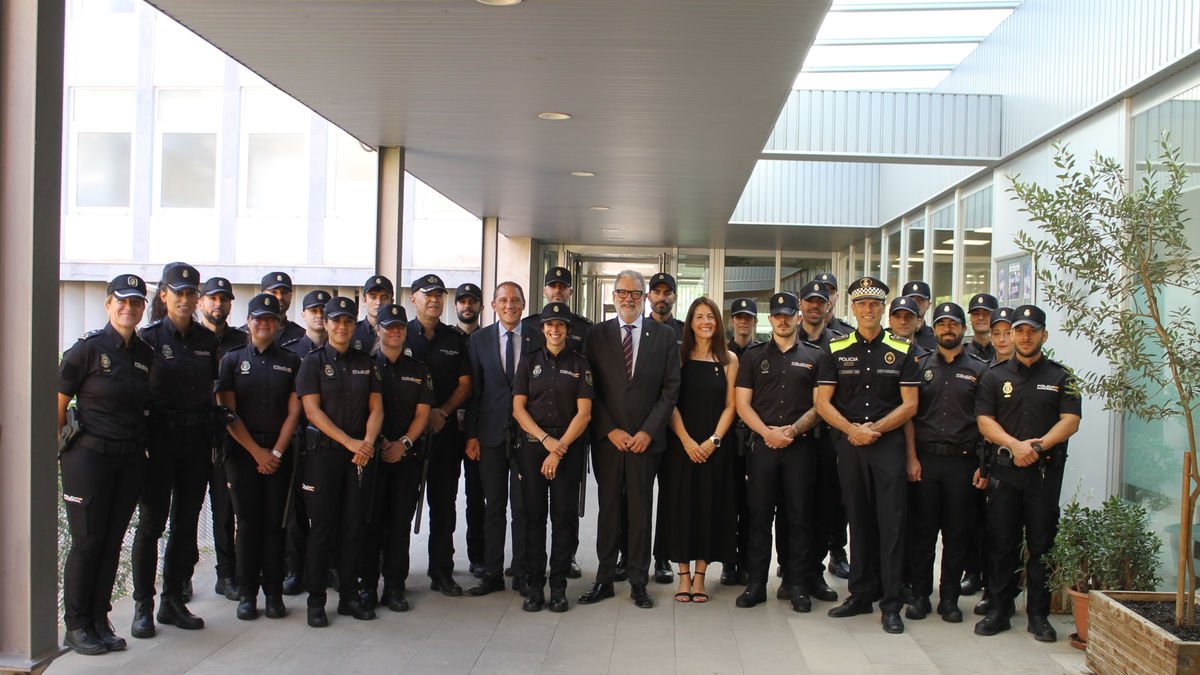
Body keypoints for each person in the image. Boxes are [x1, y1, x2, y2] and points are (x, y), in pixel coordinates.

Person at [815, 276, 920, 634]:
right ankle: (860, 594)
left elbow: (910, 405)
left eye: (875, 304)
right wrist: (852, 430)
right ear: (852, 308)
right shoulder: (836, 348)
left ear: (883, 308)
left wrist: (874, 429)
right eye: (861, 304)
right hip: (850, 445)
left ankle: (890, 603)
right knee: (858, 521)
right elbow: (821, 402)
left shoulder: (904, 350)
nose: (868, 310)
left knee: (891, 525)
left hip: (887, 446)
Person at [57, 275, 154, 655]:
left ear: (144, 308)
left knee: (113, 541)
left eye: (136, 302)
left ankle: (99, 618)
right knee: (87, 543)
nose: (128, 308)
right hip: (88, 458)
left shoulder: (144, 354)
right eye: (122, 301)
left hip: (127, 458)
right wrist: (61, 452)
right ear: (108, 304)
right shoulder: (86, 350)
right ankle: (76, 625)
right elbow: (58, 404)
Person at [974, 305, 1081, 643]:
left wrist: (1036, 447)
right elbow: (984, 421)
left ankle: (1039, 615)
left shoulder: (1062, 376)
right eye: (1019, 330)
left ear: (1043, 335)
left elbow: (1071, 421)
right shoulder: (995, 375)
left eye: (1031, 330)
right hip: (1006, 472)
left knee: (1041, 545)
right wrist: (1014, 446)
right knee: (1001, 543)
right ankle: (999, 611)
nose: (1024, 335)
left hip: (1043, 475)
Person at [579, 270, 681, 609]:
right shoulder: (597, 335)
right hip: (609, 440)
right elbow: (588, 389)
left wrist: (647, 432)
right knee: (608, 509)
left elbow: (670, 389)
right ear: (613, 295)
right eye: (622, 292)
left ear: (645, 297)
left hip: (645, 442)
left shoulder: (664, 336)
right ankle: (604, 579)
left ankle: (639, 581)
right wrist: (610, 429)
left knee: (640, 510)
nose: (628, 298)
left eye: (635, 293)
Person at [131, 262, 218, 639]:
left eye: (190, 293)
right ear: (163, 294)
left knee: (185, 525)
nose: (184, 299)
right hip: (159, 444)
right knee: (152, 525)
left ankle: (172, 600)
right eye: (177, 292)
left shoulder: (206, 340)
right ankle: (142, 606)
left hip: (195, 442)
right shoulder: (147, 339)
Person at [734, 292, 827, 612]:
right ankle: (756, 584)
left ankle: (796, 584)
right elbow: (741, 405)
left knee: (799, 517)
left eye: (789, 314)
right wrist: (767, 433)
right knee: (759, 516)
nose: (783, 319)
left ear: (798, 317)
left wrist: (791, 431)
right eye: (777, 315)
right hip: (762, 447)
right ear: (769, 319)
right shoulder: (753, 356)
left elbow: (820, 405)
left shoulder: (815, 356)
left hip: (800, 447)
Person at [295, 296, 384, 627]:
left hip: (359, 456)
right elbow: (312, 411)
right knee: (322, 529)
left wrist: (368, 444)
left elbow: (376, 408)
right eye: (336, 321)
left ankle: (349, 596)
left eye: (348, 321)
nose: (342, 327)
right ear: (326, 322)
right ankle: (317, 601)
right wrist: (350, 442)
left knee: (353, 527)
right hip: (324, 456)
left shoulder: (367, 362)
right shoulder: (313, 362)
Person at [216, 294, 303, 621]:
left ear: (278, 323)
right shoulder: (232, 359)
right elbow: (227, 412)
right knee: (248, 525)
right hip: (243, 454)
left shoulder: (292, 360)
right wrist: (257, 453)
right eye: (258, 318)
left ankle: (274, 593)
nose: (264, 324)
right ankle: (247, 594)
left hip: (279, 453)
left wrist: (276, 452)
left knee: (275, 525)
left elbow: (294, 411)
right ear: (249, 322)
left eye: (270, 319)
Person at [902, 302, 988, 624]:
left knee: (957, 534)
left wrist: (983, 465)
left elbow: (985, 420)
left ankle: (949, 598)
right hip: (925, 462)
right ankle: (921, 595)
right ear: (934, 329)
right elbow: (909, 416)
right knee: (922, 533)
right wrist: (910, 457)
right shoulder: (919, 365)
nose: (947, 329)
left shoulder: (980, 370)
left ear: (963, 329)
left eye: (953, 324)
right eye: (942, 324)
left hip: (963, 464)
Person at [512, 302, 593, 612]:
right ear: (542, 329)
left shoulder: (580, 364)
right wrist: (547, 441)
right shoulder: (528, 361)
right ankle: (535, 585)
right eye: (550, 325)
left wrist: (558, 450)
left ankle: (558, 585)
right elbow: (518, 408)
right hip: (533, 447)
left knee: (563, 518)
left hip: (568, 449)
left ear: (568, 330)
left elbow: (584, 414)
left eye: (560, 325)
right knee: (533, 517)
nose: (555, 330)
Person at [656, 297, 738, 605]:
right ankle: (683, 575)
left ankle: (701, 576)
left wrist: (714, 440)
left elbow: (732, 405)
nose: (705, 322)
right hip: (681, 446)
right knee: (680, 506)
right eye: (699, 316)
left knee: (709, 506)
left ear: (718, 322)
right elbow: (670, 402)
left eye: (711, 317)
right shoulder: (677, 356)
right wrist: (688, 441)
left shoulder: (729, 359)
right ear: (690, 322)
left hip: (715, 447)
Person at [464, 282, 536, 596]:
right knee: (493, 506)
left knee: (523, 507)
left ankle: (521, 571)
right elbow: (473, 393)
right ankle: (492, 572)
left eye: (515, 300)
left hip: (526, 437)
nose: (510, 305)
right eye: (503, 300)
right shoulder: (479, 340)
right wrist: (471, 436)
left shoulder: (535, 337)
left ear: (523, 304)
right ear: (493, 305)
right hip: (490, 435)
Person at [360, 304, 433, 613]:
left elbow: (422, 414)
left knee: (399, 524)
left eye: (399, 327)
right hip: (372, 457)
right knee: (370, 522)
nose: (394, 332)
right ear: (379, 331)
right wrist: (380, 442)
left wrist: (403, 443)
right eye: (388, 327)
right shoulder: (364, 366)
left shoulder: (419, 370)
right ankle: (366, 586)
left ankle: (394, 586)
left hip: (405, 457)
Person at [406, 274, 472, 597]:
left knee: (444, 506)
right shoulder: (398, 334)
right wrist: (420, 418)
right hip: (407, 437)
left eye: (438, 295)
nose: (434, 300)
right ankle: (393, 574)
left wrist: (442, 412)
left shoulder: (454, 339)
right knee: (400, 506)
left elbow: (465, 384)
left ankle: (441, 571)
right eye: (427, 294)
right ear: (413, 299)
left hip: (444, 433)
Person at [194, 276, 246, 603]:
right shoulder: (190, 340)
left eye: (224, 299)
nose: (218, 304)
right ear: (201, 303)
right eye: (212, 298)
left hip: (229, 438)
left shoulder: (242, 341)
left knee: (227, 511)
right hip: (190, 438)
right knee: (186, 512)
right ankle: (181, 576)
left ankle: (227, 574)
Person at [796, 282, 848, 591]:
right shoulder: (787, 337)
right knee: (797, 508)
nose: (815, 306)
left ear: (829, 305)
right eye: (810, 301)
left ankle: (815, 573)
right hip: (795, 441)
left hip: (828, 440)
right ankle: (794, 569)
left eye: (821, 301)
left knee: (827, 507)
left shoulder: (840, 344)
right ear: (800, 305)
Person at [966, 305, 1017, 617]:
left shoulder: (1039, 372)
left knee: (1012, 534)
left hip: (1025, 463)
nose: (1001, 339)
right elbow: (981, 422)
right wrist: (983, 465)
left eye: (1006, 333)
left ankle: (1008, 591)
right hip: (992, 460)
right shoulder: (989, 372)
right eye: (996, 333)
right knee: (990, 530)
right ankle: (990, 588)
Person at [279, 288, 331, 597]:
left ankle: (327, 569)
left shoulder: (343, 350)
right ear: (303, 315)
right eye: (313, 310)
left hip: (331, 443)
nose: (319, 315)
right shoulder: (290, 352)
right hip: (299, 440)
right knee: (295, 512)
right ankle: (294, 570)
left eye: (324, 310)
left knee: (328, 510)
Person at [644, 271, 684, 583]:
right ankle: (628, 555)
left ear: (674, 296)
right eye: (656, 292)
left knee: (670, 497)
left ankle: (662, 558)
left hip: (676, 427)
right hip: (642, 427)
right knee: (636, 496)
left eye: (666, 292)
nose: (661, 297)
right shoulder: (635, 330)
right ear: (649, 297)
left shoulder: (686, 332)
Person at [721, 298, 760, 587]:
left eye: (748, 318)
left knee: (751, 505)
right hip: (728, 437)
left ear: (755, 322)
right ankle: (728, 563)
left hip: (754, 437)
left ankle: (747, 561)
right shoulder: (721, 353)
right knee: (728, 501)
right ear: (732, 321)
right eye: (739, 317)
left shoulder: (761, 352)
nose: (743, 322)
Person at [452, 282, 486, 579]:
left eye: (472, 301)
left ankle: (480, 556)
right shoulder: (447, 339)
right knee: (447, 498)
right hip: (448, 427)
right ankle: (443, 564)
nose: (467, 306)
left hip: (479, 428)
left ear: (480, 306)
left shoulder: (487, 339)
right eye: (462, 301)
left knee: (478, 496)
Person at [260, 272, 305, 344]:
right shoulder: (247, 334)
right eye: (274, 292)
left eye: (284, 292)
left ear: (290, 296)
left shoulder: (301, 336)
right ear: (262, 295)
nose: (279, 297)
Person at [353, 275, 393, 354]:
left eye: (384, 297)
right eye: (373, 297)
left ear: (391, 301)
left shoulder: (399, 332)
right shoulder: (353, 332)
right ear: (364, 300)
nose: (378, 302)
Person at [902, 281, 938, 351]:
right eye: (911, 300)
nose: (916, 304)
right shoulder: (889, 336)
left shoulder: (936, 338)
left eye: (921, 300)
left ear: (929, 304)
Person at [963, 293, 999, 363]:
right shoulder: (961, 354)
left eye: (987, 313)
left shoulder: (1006, 352)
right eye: (976, 314)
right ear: (970, 318)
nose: (981, 317)